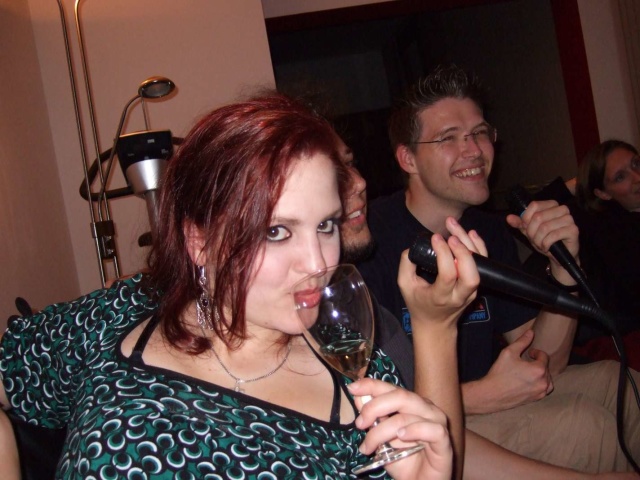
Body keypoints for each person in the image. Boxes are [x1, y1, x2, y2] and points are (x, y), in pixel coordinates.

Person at [0, 92, 479, 479]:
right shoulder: (121, 321)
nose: (318, 263)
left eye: (326, 225)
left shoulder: (354, 365)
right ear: (199, 242)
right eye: (277, 231)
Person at [356, 64, 640, 473]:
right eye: (449, 138)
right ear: (408, 158)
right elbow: (366, 398)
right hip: (424, 429)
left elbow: (544, 360)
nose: (474, 150)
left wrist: (564, 265)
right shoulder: (371, 240)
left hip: (488, 398)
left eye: (479, 132)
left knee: (618, 383)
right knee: (585, 427)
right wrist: (481, 394)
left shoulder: (487, 228)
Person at [529, 140, 640, 368]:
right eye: (620, 177)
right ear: (603, 193)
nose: (637, 177)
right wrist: (579, 183)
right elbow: (527, 211)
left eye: (636, 164)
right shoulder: (600, 221)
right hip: (605, 326)